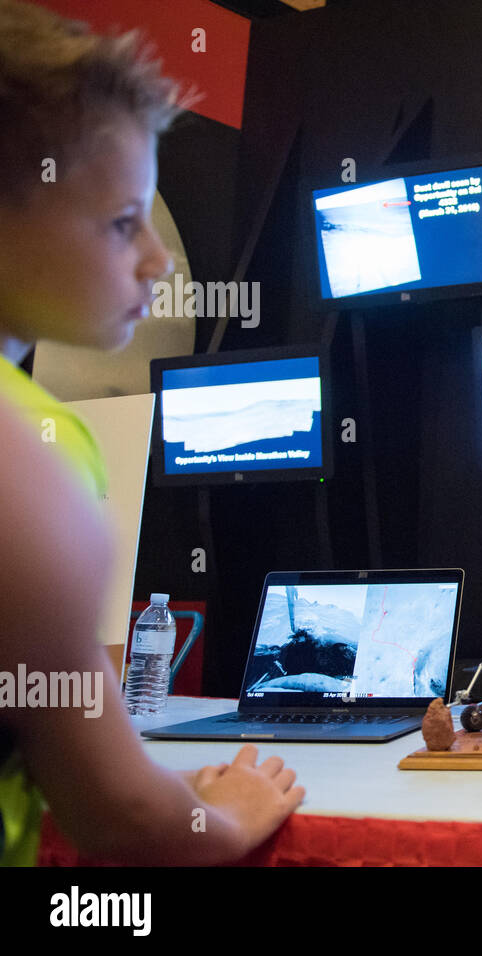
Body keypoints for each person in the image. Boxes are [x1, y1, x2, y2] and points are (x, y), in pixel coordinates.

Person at [0, 0, 303, 866]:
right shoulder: (27, 456)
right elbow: (126, 821)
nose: (159, 264)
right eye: (123, 221)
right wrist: (232, 810)